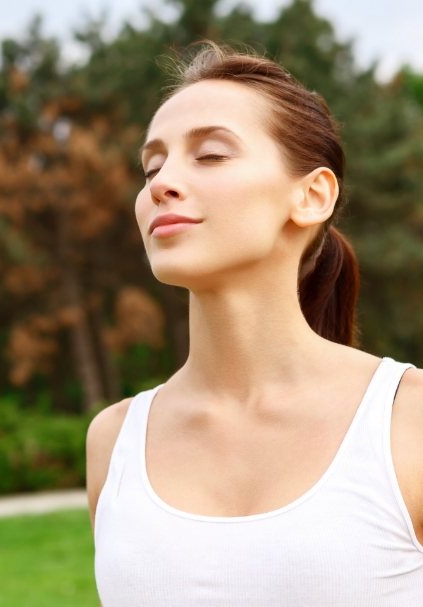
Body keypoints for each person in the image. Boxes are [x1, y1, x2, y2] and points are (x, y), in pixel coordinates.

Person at [86, 42, 423, 606]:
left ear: (312, 196)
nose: (160, 183)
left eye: (211, 155)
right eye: (152, 165)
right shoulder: (114, 440)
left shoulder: (409, 421)